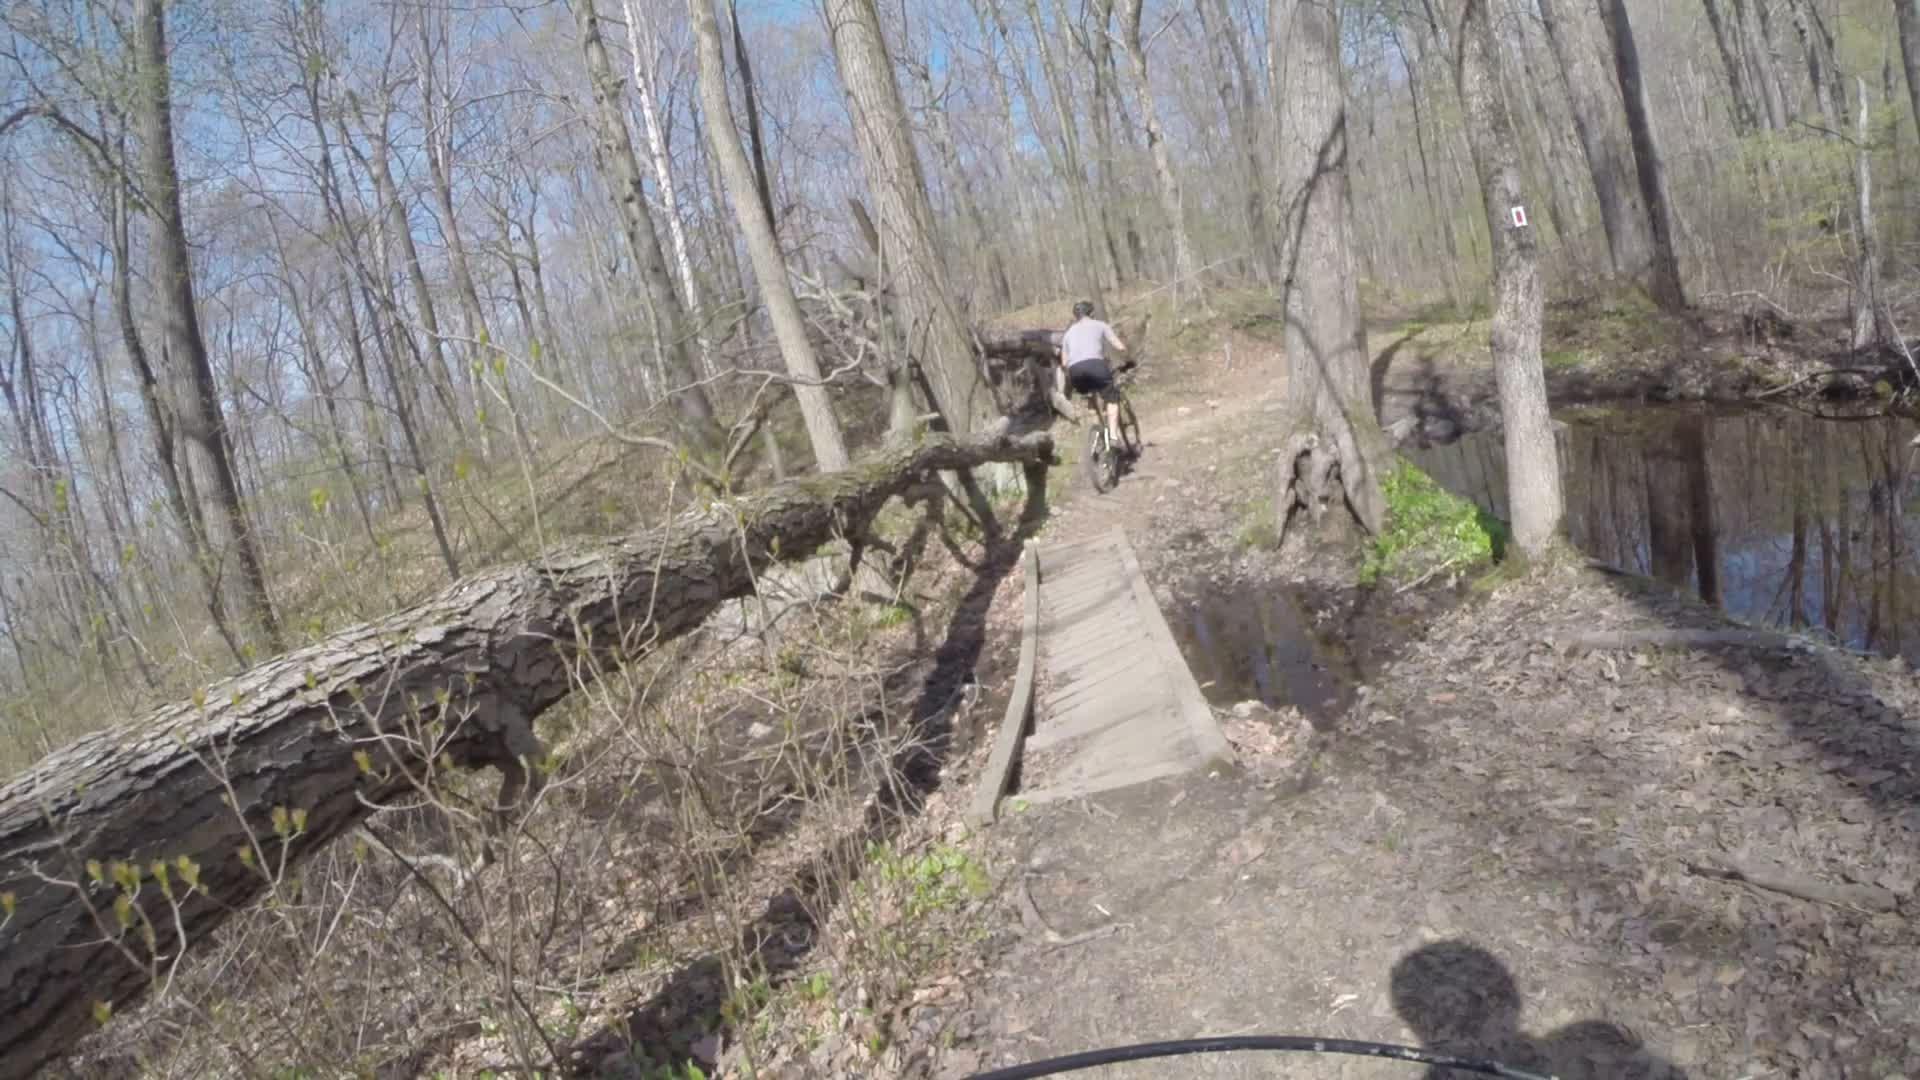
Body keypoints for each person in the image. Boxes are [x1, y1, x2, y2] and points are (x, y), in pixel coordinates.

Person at [1057, 300, 1128, 448]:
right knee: (1112, 400)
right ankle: (1113, 437)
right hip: (1096, 366)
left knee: (1090, 398)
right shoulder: (1100, 325)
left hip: (1075, 371)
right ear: (1092, 313)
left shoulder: (1068, 333)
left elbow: (1064, 362)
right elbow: (1118, 345)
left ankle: (1097, 433)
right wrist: (1126, 355)